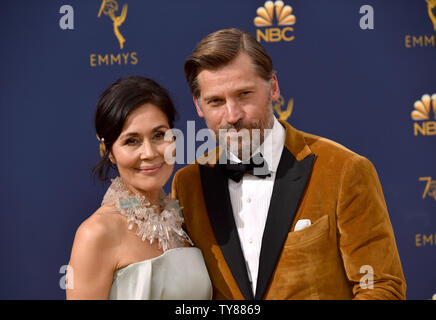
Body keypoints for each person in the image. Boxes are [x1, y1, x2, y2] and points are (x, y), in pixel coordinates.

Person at [172, 28, 406, 300]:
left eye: (244, 94)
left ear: (273, 87)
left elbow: (380, 288)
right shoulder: (188, 184)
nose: (232, 115)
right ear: (199, 106)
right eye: (215, 101)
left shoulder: (344, 170)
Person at [66, 76, 212, 300]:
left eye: (158, 135)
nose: (150, 153)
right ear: (110, 151)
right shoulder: (96, 234)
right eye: (131, 141)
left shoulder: (185, 222)